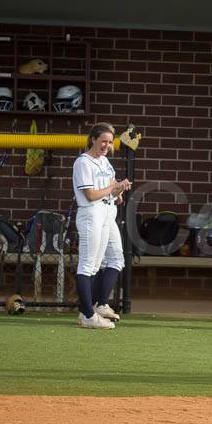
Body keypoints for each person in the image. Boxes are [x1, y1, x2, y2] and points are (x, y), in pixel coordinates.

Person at [72, 122, 131, 330]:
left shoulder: (105, 162)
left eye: (109, 142)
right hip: (91, 214)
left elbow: (111, 191)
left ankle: (95, 307)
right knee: (88, 265)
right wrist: (113, 188)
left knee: (102, 263)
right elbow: (90, 195)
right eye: (103, 141)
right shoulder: (83, 162)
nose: (107, 145)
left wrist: (119, 190)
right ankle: (87, 314)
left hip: (106, 211)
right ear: (93, 139)